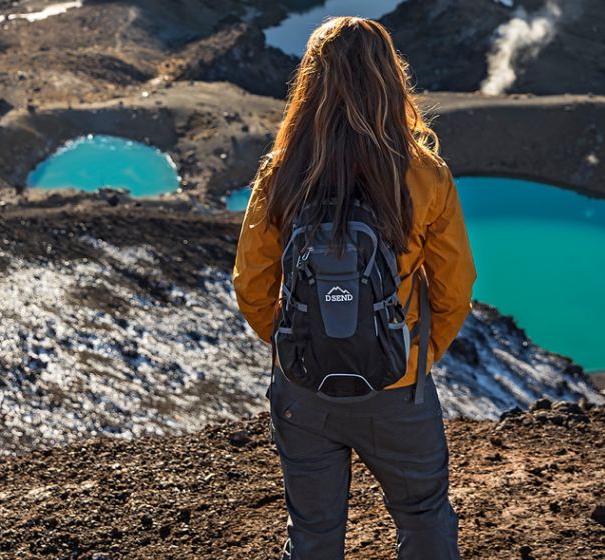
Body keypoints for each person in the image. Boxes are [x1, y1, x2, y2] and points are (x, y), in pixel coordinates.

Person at [232, 16, 476, 560]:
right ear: (390, 78)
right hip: (397, 389)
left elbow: (251, 284)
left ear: (311, 83)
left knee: (314, 534)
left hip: (303, 391)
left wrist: (298, 344)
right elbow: (456, 285)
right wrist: (413, 356)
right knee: (424, 516)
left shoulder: (281, 172)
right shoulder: (423, 172)